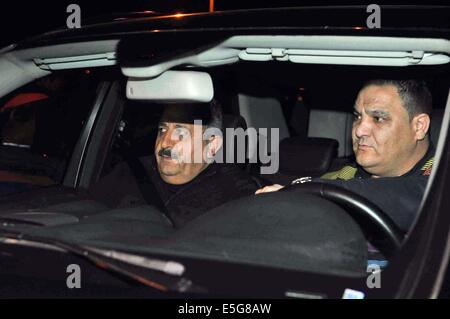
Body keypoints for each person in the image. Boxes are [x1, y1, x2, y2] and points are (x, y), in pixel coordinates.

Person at [256, 79, 434, 232]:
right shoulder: (344, 175)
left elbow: (423, 198)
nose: (360, 130)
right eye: (357, 116)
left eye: (378, 118)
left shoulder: (440, 175)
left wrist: (305, 197)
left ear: (419, 126)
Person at [91, 99, 259, 228]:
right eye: (162, 130)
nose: (164, 143)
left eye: (180, 133)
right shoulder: (129, 173)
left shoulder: (236, 195)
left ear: (212, 144)